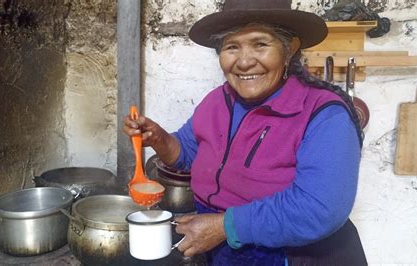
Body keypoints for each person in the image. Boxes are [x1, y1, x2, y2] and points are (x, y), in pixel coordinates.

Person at [123, 0, 367, 265]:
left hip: (294, 255)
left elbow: (318, 209)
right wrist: (160, 139)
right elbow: (188, 153)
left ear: (290, 49)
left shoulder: (324, 114)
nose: (245, 61)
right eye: (231, 47)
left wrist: (224, 227)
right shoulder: (218, 101)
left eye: (260, 44)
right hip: (224, 247)